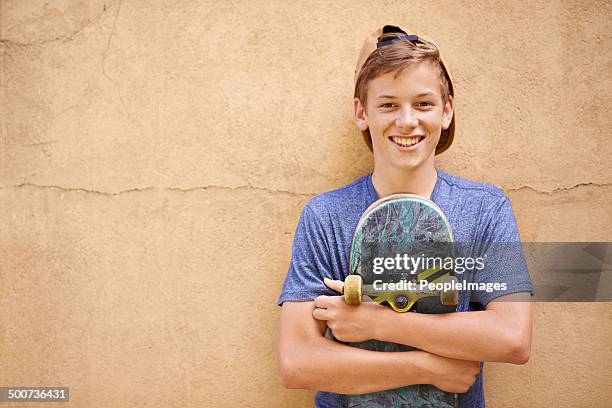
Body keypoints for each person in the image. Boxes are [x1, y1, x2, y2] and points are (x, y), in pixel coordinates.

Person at [277, 25, 533, 408]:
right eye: (389, 105)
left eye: (424, 104)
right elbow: (296, 362)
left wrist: (379, 322)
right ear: (362, 113)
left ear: (446, 111)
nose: (407, 121)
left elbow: (513, 337)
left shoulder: (485, 208)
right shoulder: (326, 217)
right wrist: (428, 368)